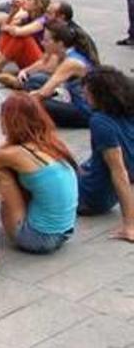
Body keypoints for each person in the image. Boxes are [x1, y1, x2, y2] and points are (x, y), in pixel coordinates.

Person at [0, 93, 78, 254]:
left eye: (1, 117)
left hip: (37, 239)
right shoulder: (51, 144)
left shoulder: (14, 154)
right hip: (65, 231)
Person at [76, 66, 134, 241]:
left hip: (92, 197)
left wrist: (130, 225)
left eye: (87, 95)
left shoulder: (100, 121)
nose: (85, 99)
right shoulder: (128, 113)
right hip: (107, 190)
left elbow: (119, 171)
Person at [0, 1, 98, 91]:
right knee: (37, 78)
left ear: (61, 17)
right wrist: (26, 71)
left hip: (75, 79)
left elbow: (52, 65)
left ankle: (21, 83)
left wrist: (29, 72)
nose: (45, 16)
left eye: (49, 13)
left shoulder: (68, 34)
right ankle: (24, 81)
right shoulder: (53, 26)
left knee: (37, 78)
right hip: (59, 69)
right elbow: (46, 58)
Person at [28, 19, 99, 128]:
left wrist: (23, 100)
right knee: (34, 81)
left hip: (85, 111)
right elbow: (44, 68)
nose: (42, 43)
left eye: (46, 40)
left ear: (60, 43)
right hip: (70, 96)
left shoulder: (71, 62)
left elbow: (44, 93)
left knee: (39, 104)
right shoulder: (65, 54)